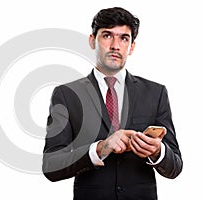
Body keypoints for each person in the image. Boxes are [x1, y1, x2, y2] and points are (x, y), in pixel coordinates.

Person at [42, 7, 183, 200]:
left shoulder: (155, 93)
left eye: (124, 38)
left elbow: (175, 167)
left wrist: (158, 152)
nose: (116, 45)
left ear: (132, 46)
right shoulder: (67, 95)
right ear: (92, 41)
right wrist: (99, 148)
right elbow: (51, 165)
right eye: (107, 35)